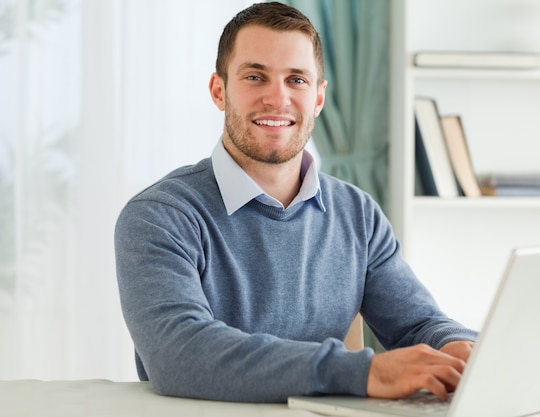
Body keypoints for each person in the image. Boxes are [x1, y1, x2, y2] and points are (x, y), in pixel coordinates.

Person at [114, 1, 477, 404]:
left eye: (297, 80)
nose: (277, 98)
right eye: (255, 76)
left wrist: (462, 348)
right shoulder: (160, 216)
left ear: (319, 98)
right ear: (219, 90)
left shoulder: (357, 214)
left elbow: (418, 325)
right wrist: (363, 371)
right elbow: (179, 354)